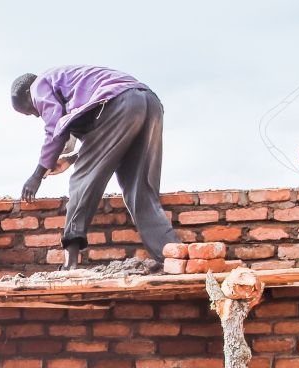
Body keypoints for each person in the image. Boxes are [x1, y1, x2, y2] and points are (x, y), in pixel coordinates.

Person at [11, 66, 177, 269]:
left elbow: (55, 128)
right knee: (141, 193)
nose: (36, 114)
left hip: (117, 105)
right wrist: (72, 158)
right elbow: (105, 144)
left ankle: (70, 262)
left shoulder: (39, 85)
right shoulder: (69, 80)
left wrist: (37, 175)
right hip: (148, 102)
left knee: (82, 180)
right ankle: (173, 257)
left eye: (30, 109)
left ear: (28, 93)